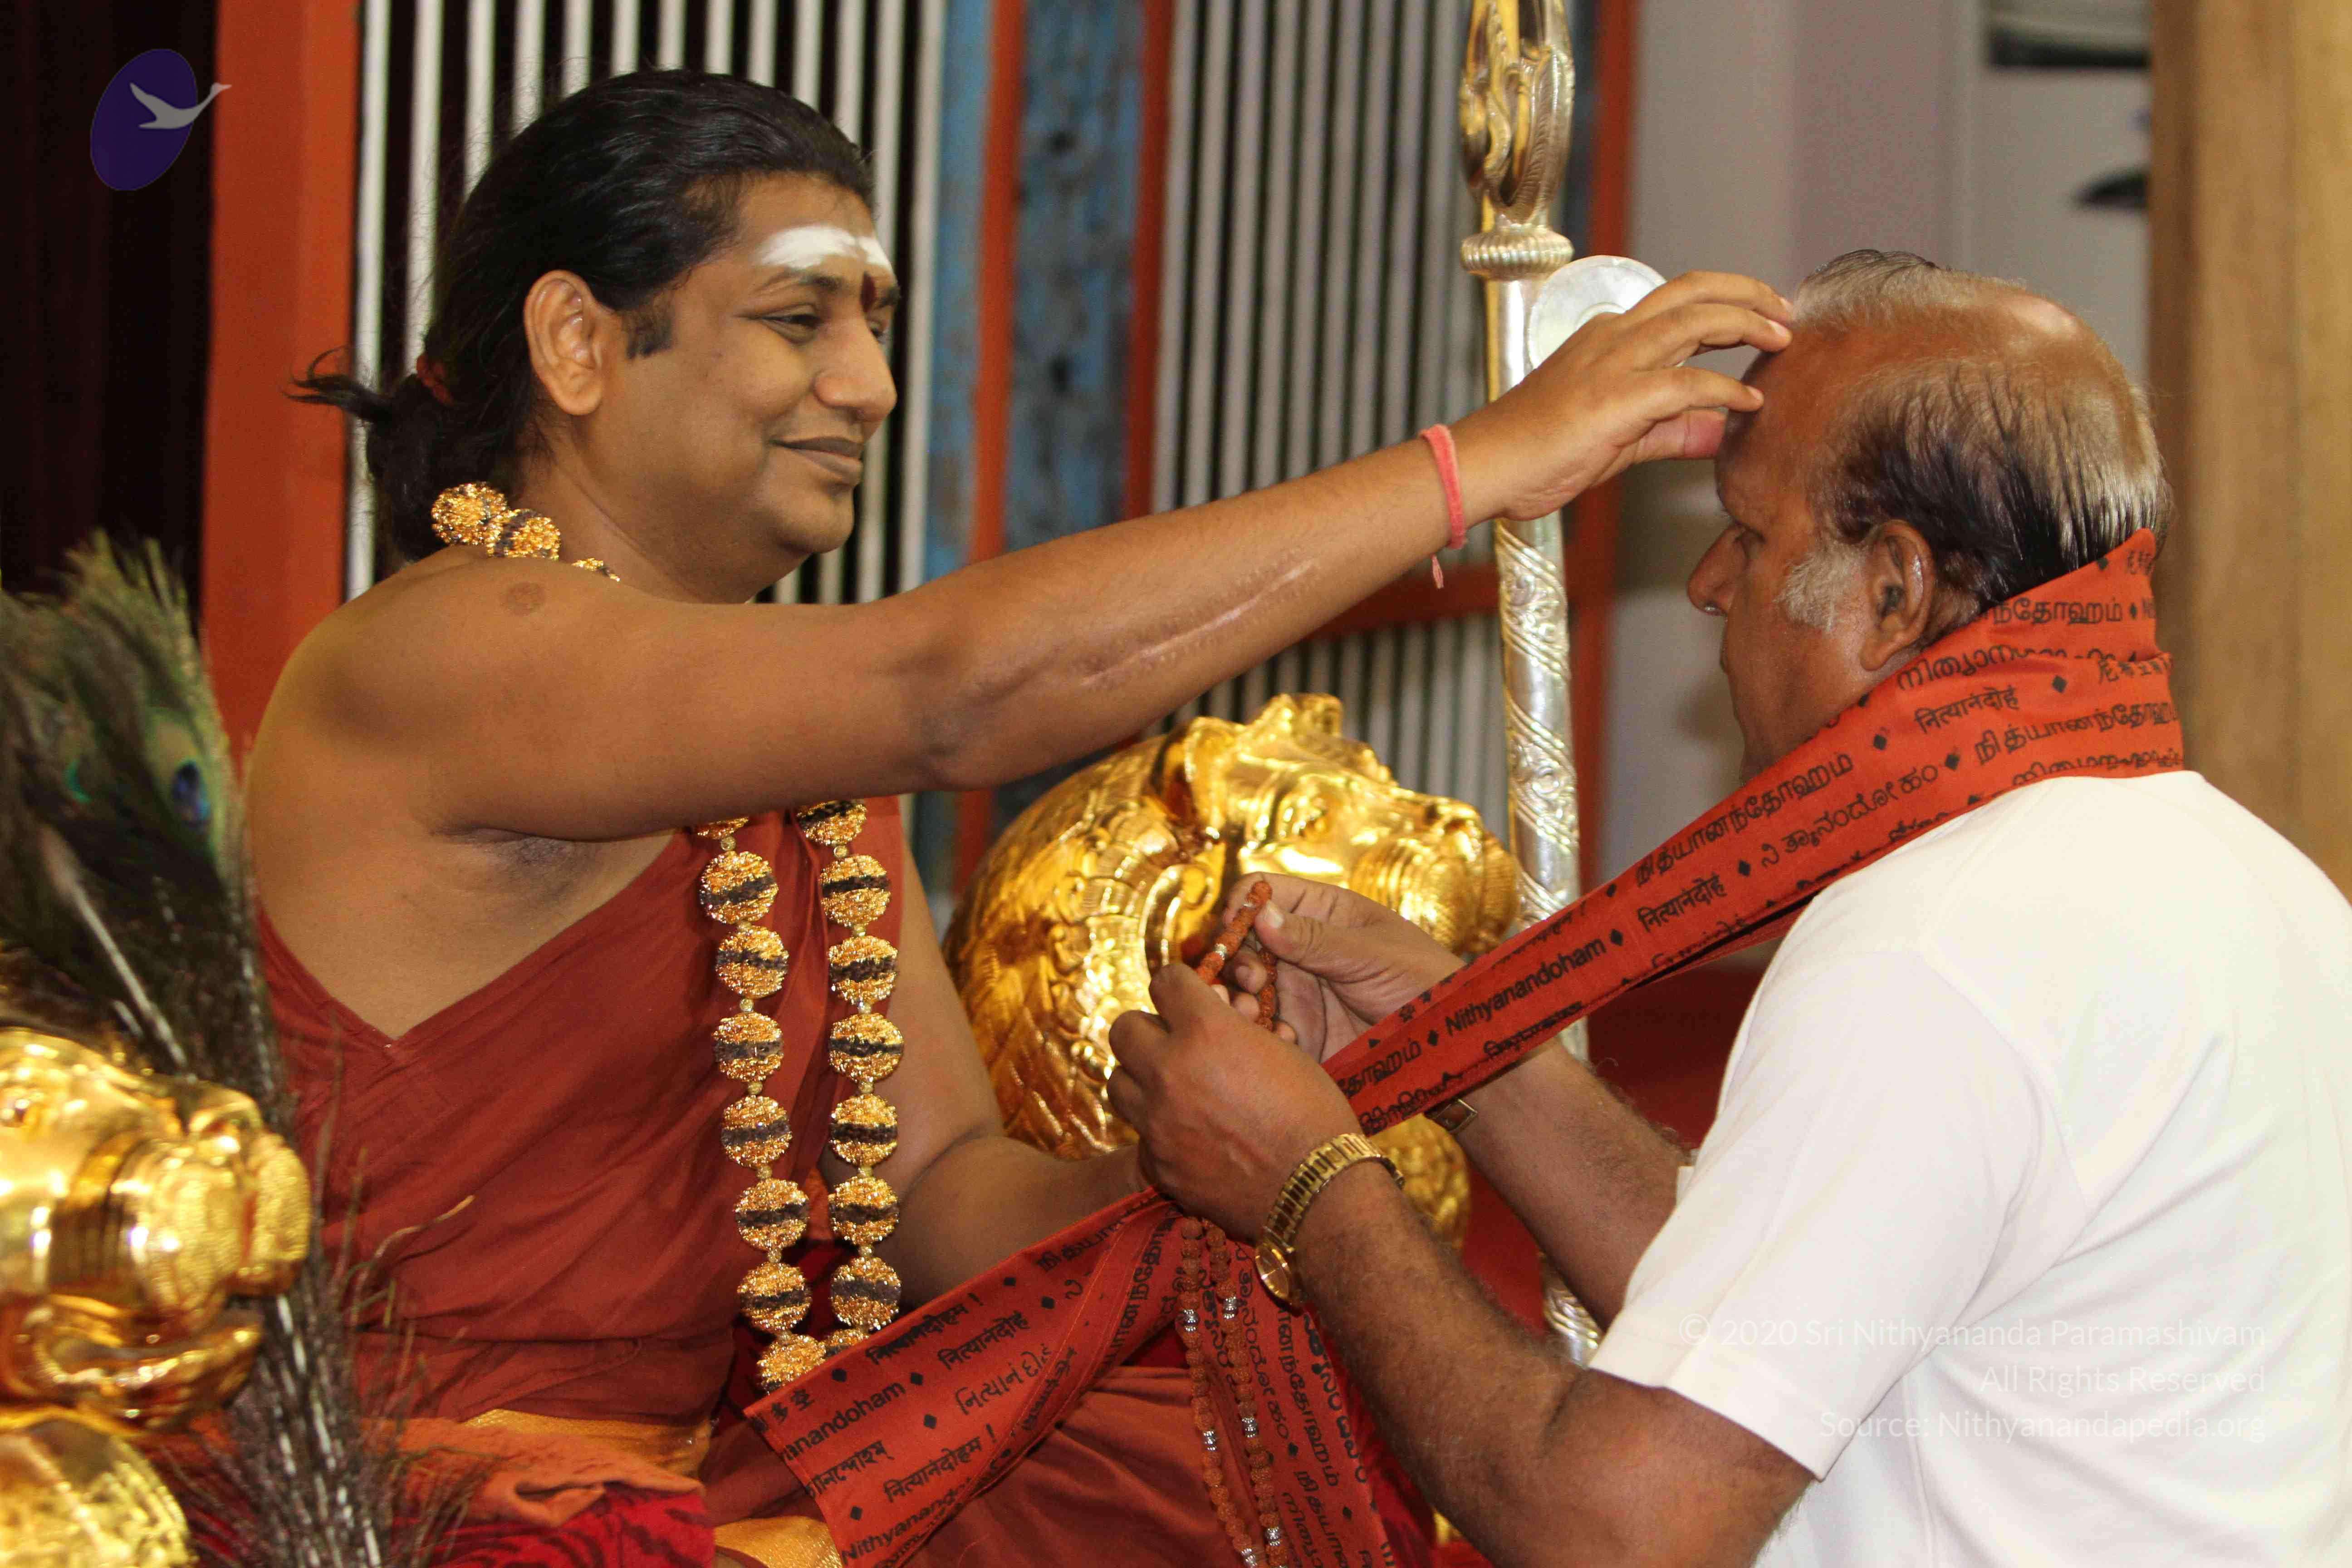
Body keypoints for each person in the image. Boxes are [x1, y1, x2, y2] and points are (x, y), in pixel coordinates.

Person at [247, 69, 1793, 1566]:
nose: (869, 385)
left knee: (1228, 1457)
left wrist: (1204, 1137)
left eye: (874, 324)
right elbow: (955, 691)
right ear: (579, 342)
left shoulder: (785, 746)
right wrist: (1485, 462)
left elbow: (943, 1201)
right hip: (396, 1514)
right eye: (798, 318)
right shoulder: (435, 656)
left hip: (675, 1494)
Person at [1112, 250, 2352, 1567]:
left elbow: (1618, 1532)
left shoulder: (1938, 938)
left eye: (1751, 535)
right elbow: (1783, 1324)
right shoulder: (2261, 883)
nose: (1708, 583)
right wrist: (1451, 1033)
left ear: (1894, 591)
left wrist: (1307, 1183)